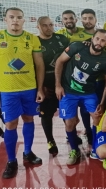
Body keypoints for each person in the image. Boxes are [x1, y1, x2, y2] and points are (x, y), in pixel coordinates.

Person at [0, 7, 45, 179]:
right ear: (5, 20)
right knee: (10, 125)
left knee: (29, 119)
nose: (15, 20)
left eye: (19, 17)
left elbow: (39, 65)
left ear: (24, 20)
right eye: (11, 17)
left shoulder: (32, 39)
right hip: (7, 91)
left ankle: (27, 152)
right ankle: (12, 160)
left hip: (29, 89)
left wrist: (40, 88)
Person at [55, 29, 106, 165]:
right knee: (70, 123)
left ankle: (95, 147)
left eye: (103, 40)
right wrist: (58, 85)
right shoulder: (77, 46)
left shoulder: (105, 59)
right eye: (97, 39)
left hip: (88, 93)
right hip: (68, 92)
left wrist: (103, 103)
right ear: (92, 38)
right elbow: (59, 61)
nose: (99, 43)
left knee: (97, 117)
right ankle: (74, 149)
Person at [37, 16, 69, 156]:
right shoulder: (35, 42)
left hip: (63, 85)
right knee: (46, 115)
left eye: (50, 24)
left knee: (66, 113)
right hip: (46, 86)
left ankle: (70, 134)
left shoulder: (62, 39)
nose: (49, 27)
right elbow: (34, 66)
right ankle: (50, 140)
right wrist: (40, 86)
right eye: (44, 25)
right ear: (38, 26)